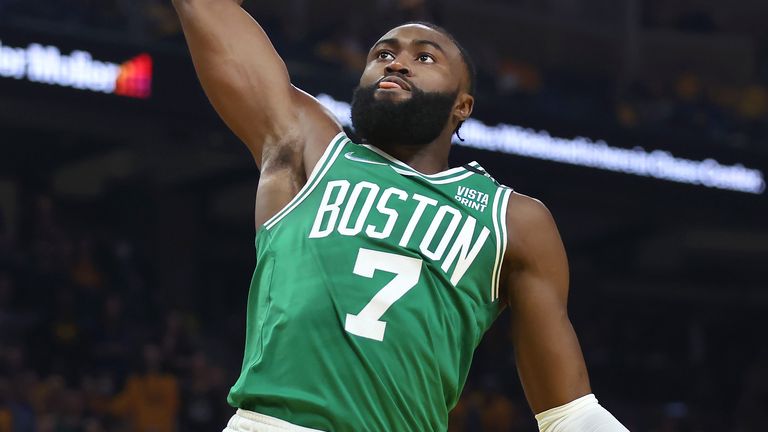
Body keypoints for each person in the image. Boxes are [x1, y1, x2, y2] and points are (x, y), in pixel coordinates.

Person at [172, 0, 630, 430]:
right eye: (382, 54)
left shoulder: (513, 219)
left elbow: (569, 413)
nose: (396, 62)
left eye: (425, 57)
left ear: (462, 106)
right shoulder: (309, 151)